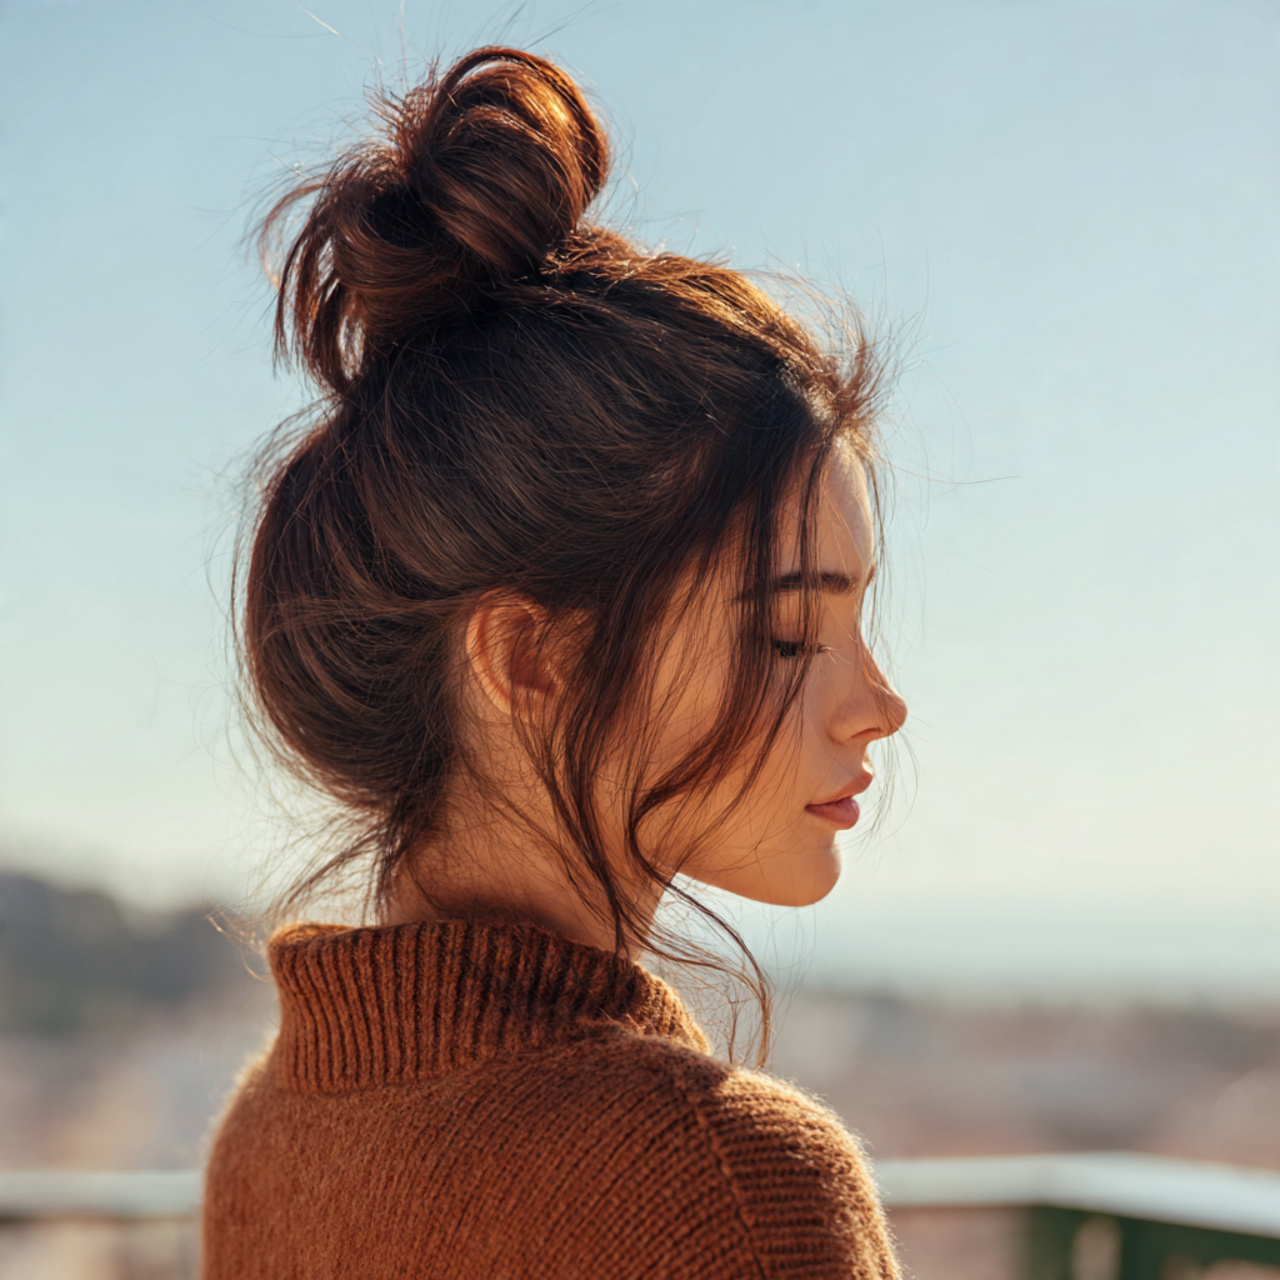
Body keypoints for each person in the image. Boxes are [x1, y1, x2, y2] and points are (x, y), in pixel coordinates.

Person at [203, 45, 908, 1280]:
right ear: (529, 656)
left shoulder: (274, 1126)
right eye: (791, 632)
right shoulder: (722, 1185)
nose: (880, 705)